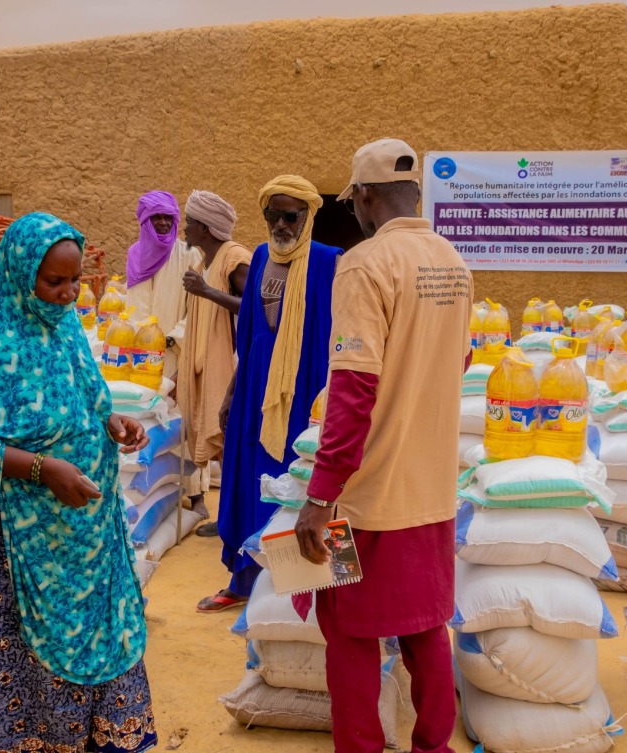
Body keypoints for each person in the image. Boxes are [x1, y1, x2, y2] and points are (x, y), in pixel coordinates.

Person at [0, 212, 157, 753]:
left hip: (89, 541)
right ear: (21, 274)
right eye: (55, 282)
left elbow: (80, 405)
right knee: (34, 673)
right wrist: (44, 470)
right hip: (25, 549)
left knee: (109, 646)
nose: (69, 294)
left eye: (76, 282)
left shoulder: (64, 328)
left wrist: (112, 422)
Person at [295, 139, 473, 753]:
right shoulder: (454, 263)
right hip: (431, 496)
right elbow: (461, 359)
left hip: (364, 504)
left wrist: (321, 497)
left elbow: (352, 392)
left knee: (348, 631)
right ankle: (432, 745)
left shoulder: (365, 265)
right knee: (426, 626)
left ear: (365, 196)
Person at [196, 176, 342, 612]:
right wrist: (231, 395)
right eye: (272, 214)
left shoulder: (329, 261)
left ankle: (303, 589)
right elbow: (251, 332)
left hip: (307, 386)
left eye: (290, 215)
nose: (280, 223)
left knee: (298, 481)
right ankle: (243, 580)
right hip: (256, 385)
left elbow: (340, 335)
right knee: (247, 479)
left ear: (308, 216)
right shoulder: (259, 256)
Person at [177, 190, 252, 523]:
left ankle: (237, 522)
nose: (184, 229)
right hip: (207, 370)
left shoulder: (235, 257)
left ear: (205, 229)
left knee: (234, 447)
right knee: (225, 449)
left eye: (189, 223)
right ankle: (231, 523)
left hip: (232, 367)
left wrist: (206, 291)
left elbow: (258, 307)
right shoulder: (203, 262)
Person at [125, 190, 202, 377]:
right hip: (136, 349)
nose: (163, 222)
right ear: (145, 220)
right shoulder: (135, 253)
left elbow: (197, 306)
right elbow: (134, 302)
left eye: (168, 217)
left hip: (171, 350)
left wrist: (173, 339)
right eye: (156, 217)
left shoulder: (188, 255)